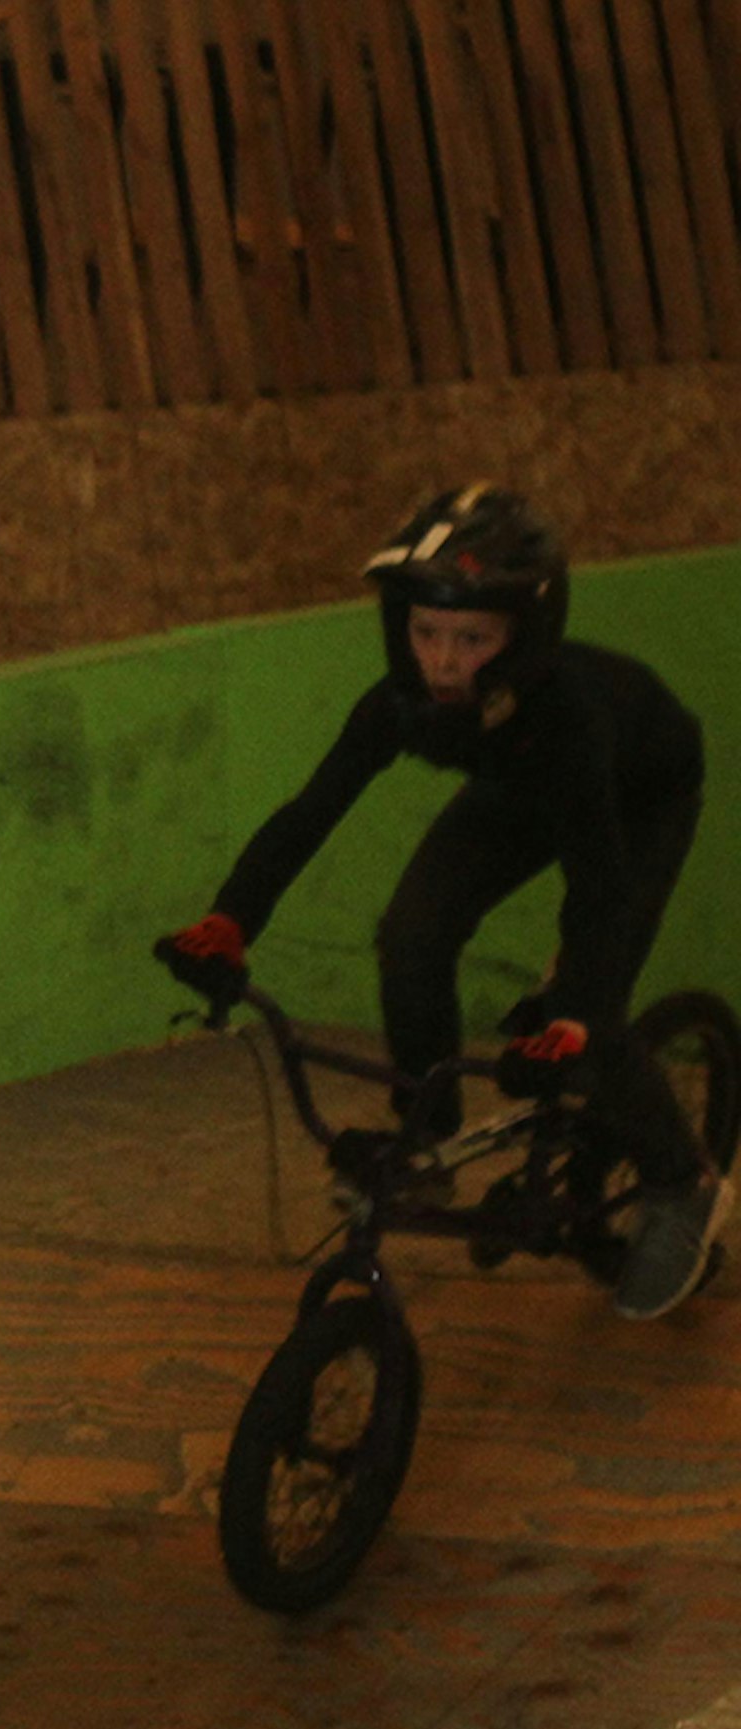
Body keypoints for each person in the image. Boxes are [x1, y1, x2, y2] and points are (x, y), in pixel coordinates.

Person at [158, 484, 716, 1318]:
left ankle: (684, 1183)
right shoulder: (405, 704)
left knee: (590, 1015)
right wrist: (231, 920)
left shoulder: (569, 718)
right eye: (426, 633)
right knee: (413, 934)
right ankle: (428, 1128)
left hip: (634, 791)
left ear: (524, 637)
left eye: (473, 639)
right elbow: (311, 811)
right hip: (518, 785)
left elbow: (598, 884)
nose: (445, 662)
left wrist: (576, 1016)